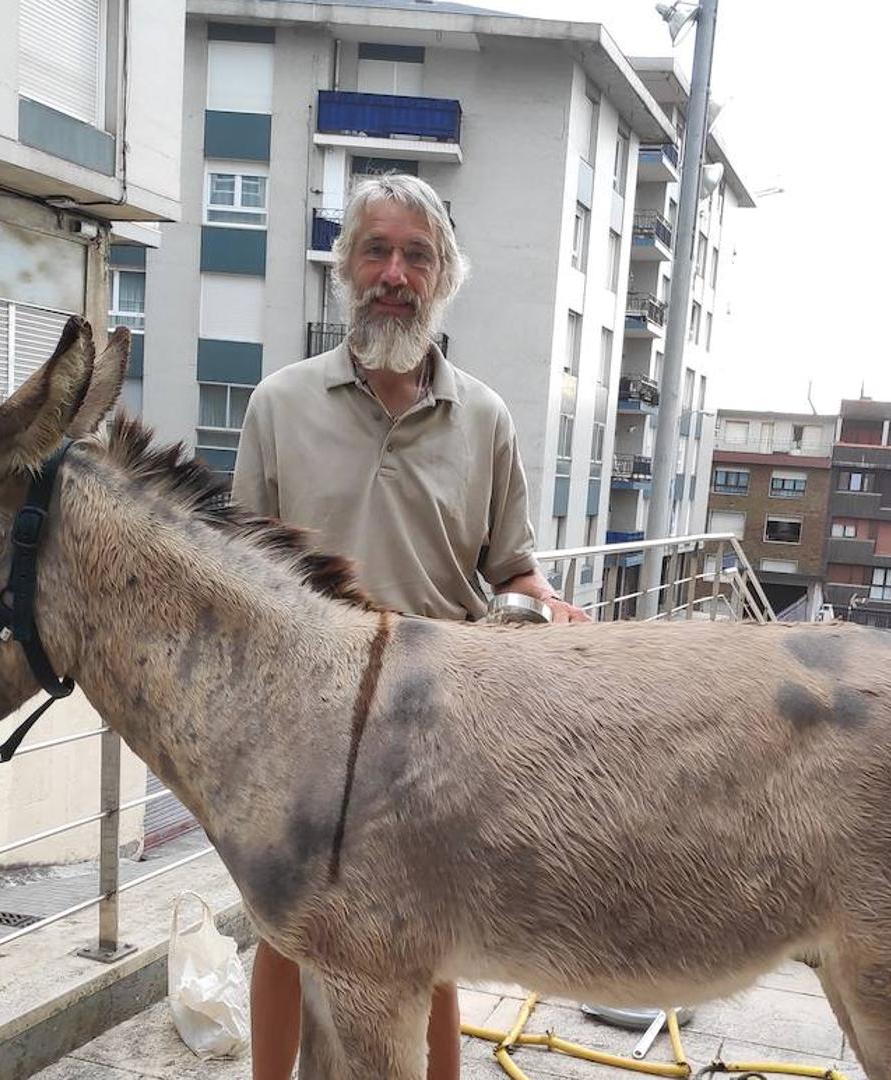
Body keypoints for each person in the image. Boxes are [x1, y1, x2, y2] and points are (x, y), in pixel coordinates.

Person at [230, 173, 588, 1080]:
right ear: (347, 267)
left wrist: (543, 605)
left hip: (433, 725)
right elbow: (242, 576)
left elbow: (509, 567)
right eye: (377, 251)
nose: (395, 273)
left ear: (444, 278)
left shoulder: (486, 418)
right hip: (301, 720)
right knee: (283, 928)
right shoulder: (279, 404)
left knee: (424, 942)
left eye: (417, 256)